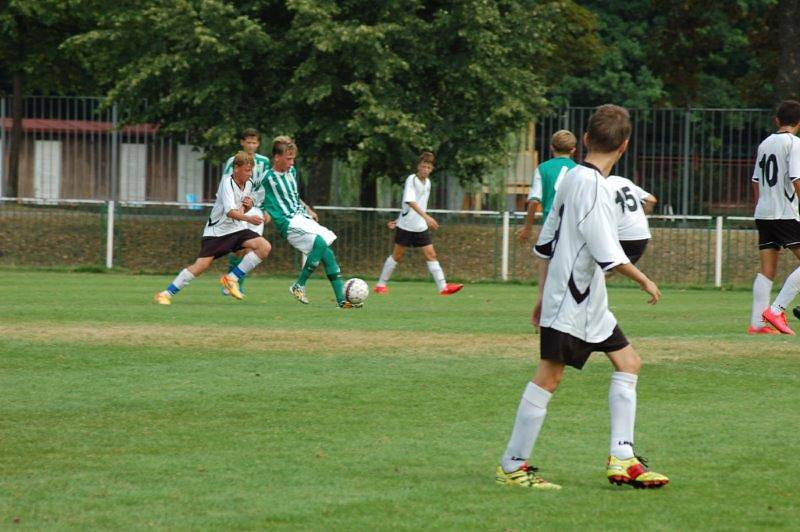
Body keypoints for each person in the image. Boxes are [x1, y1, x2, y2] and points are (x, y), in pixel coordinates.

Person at [495, 104, 669, 490]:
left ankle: (622, 458)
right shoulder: (593, 186)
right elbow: (608, 251)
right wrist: (645, 280)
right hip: (573, 299)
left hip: (586, 300)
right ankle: (512, 465)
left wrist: (541, 295)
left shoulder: (572, 178)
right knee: (549, 377)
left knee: (628, 362)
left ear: (586, 139)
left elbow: (546, 241)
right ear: (624, 146)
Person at [154, 152, 271, 305]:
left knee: (264, 247)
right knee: (201, 266)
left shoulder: (248, 184)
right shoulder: (227, 183)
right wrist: (249, 218)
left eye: (251, 171)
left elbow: (241, 209)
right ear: (236, 168)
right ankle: (165, 294)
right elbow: (230, 212)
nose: (249, 174)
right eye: (246, 170)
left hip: (237, 229)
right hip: (217, 232)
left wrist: (248, 207)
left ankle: (231, 279)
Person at [260, 136, 354, 308]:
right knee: (319, 242)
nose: (291, 162)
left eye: (293, 158)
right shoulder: (267, 178)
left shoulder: (292, 172)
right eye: (288, 159)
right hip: (287, 222)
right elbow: (253, 196)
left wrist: (308, 209)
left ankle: (342, 300)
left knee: (328, 253)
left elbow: (294, 197)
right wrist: (258, 213)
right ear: (277, 158)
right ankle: (299, 284)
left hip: (301, 217)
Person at [373, 151, 463, 295]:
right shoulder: (412, 179)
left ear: (431, 169)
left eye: (428, 167)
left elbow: (417, 204)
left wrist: (399, 219)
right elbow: (410, 202)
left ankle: (443, 287)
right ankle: (380, 285)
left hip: (420, 227)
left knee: (431, 255)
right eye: (423, 166)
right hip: (407, 226)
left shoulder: (428, 183)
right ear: (418, 166)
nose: (425, 170)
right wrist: (423, 218)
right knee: (397, 256)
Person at [748, 100, 800, 335]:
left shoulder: (765, 143)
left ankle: (757, 324)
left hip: (764, 212)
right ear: (798, 123)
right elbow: (796, 179)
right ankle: (777, 310)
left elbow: (755, 181)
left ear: (777, 120)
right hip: (784, 213)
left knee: (767, 269)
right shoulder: (794, 144)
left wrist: (761, 206)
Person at [220, 128, 271, 294]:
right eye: (248, 142)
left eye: (254, 142)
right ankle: (232, 283)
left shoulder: (264, 162)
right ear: (242, 142)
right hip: (239, 210)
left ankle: (234, 283)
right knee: (238, 248)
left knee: (252, 249)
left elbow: (269, 187)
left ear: (258, 144)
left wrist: (267, 209)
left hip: (256, 209)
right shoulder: (233, 161)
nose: (251, 145)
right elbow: (227, 185)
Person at [516, 130, 578, 241]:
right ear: (573, 150)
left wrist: (527, 229)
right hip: (573, 225)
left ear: (552, 147)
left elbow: (534, 201)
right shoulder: (579, 170)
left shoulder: (542, 169)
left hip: (550, 224)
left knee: (550, 257)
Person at [606, 175, 657, 264]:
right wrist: (639, 215)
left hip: (622, 235)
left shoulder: (600, 185)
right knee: (617, 267)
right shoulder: (624, 181)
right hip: (642, 235)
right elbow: (651, 200)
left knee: (605, 266)